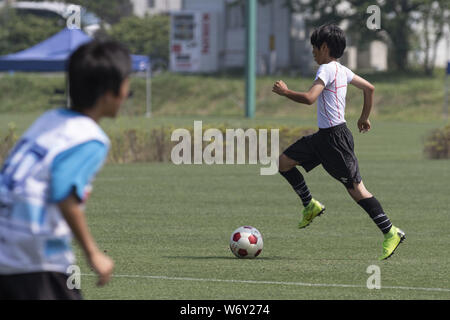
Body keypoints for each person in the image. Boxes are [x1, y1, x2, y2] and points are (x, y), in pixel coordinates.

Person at [0, 40, 132, 299]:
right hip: (34, 256)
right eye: (127, 84)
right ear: (109, 92)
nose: (128, 93)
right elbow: (63, 192)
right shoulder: (89, 138)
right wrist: (93, 253)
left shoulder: (49, 120)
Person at [272, 24, 405, 261]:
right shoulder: (342, 70)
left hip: (335, 140)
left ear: (324, 47)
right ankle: (309, 205)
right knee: (283, 162)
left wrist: (285, 92)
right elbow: (369, 88)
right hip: (323, 137)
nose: (312, 52)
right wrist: (364, 117)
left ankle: (390, 231)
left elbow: (310, 98)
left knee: (356, 190)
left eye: (314, 47)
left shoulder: (326, 69)